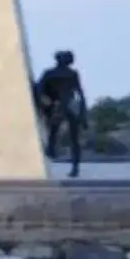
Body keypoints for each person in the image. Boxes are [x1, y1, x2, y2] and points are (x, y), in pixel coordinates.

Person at [33, 49, 89, 177]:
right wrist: (83, 113)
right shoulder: (71, 74)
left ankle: (52, 151)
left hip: (58, 107)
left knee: (55, 132)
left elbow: (38, 89)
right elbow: (80, 94)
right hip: (67, 106)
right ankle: (74, 167)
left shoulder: (50, 73)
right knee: (73, 139)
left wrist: (45, 104)